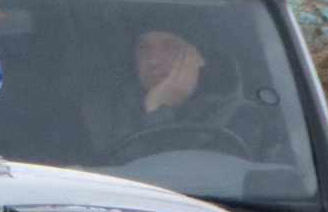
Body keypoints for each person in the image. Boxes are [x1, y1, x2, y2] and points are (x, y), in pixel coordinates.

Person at [83, 20, 276, 163]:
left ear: (199, 57)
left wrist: (159, 110)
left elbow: (179, 182)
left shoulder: (241, 119)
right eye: (144, 47)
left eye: (170, 47)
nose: (153, 61)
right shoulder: (100, 114)